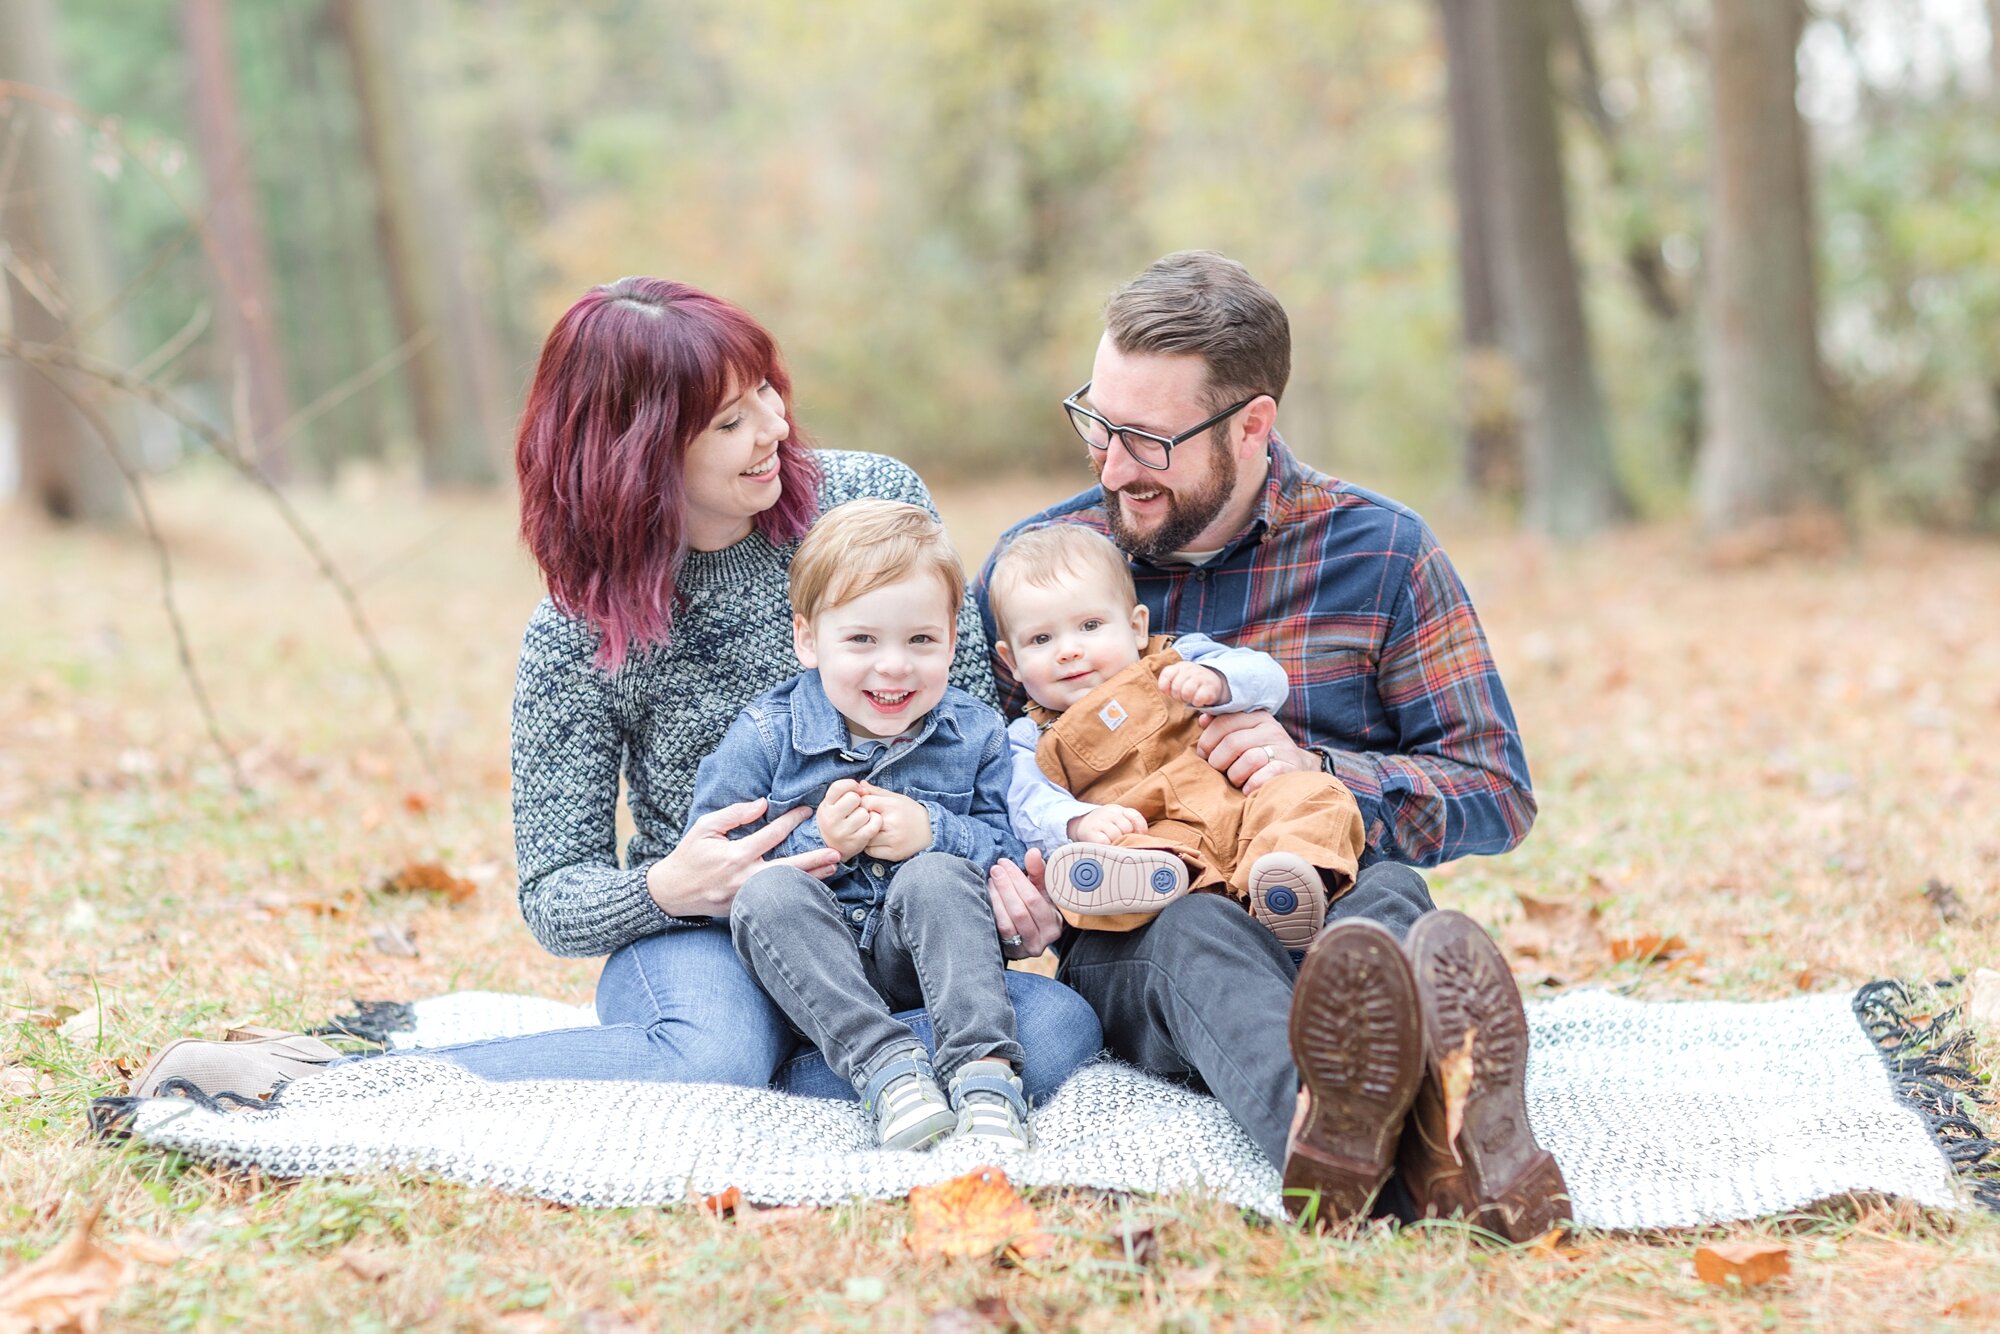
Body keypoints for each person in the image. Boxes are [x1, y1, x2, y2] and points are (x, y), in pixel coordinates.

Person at [134, 277, 1100, 1106]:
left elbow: (977, 719)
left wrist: (1002, 869)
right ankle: (344, 1076)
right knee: (715, 1054)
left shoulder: (866, 504)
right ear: (637, 450)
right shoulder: (578, 636)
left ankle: (824, 1060)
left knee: (1054, 1029)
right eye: (729, 422)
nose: (773, 428)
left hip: (896, 918)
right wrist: (667, 887)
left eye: (766, 391)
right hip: (713, 934)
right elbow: (556, 894)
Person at [976, 251, 1567, 1240]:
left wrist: (1317, 771)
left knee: (1387, 910)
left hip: (1320, 895)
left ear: (1252, 424)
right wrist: (1005, 867)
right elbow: (951, 760)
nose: (1112, 465)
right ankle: (1350, 1135)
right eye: (1095, 421)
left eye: (1144, 439)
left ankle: (1446, 1119)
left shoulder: (1378, 553)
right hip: (1148, 922)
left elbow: (1493, 788)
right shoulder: (1042, 571)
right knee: (1193, 937)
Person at [691, 500, 1032, 1152]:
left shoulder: (978, 732)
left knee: (937, 875)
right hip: (812, 970)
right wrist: (825, 844)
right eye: (862, 640)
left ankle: (984, 1077)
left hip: (924, 969)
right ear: (808, 639)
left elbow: (1008, 850)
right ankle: (888, 1072)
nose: (895, 666)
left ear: (952, 640)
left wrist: (935, 830)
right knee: (768, 892)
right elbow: (717, 863)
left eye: (921, 640)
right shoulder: (769, 733)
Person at [987, 523, 1365, 949]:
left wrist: (1220, 682)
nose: (1069, 649)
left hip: (1245, 809)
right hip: (1157, 839)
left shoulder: (1184, 659)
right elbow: (1025, 804)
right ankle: (1151, 881)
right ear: (1012, 661)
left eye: (1090, 625)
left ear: (1136, 627)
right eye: (1041, 638)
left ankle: (1289, 883)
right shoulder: (1028, 739)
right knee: (1116, 858)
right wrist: (1077, 821)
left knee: (1319, 793)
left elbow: (1269, 677)